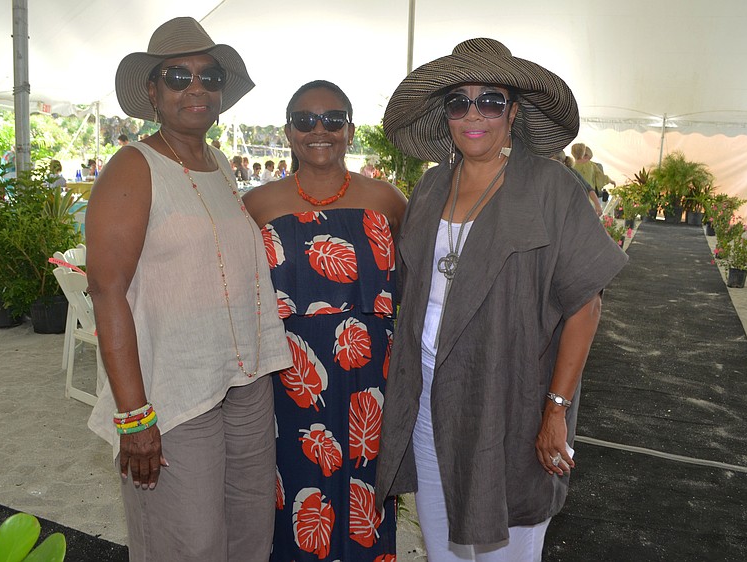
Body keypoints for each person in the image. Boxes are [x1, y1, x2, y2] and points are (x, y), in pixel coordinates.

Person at [376, 38, 628, 561]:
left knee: (507, 543)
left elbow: (586, 305)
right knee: (443, 540)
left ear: (512, 113)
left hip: (510, 400)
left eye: (490, 101)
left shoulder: (550, 188)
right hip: (428, 398)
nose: (474, 114)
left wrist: (555, 409)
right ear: (445, 115)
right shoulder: (429, 189)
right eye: (459, 102)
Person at [84, 16, 291, 561]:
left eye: (210, 75)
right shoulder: (132, 168)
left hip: (243, 379)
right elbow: (107, 292)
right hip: (173, 393)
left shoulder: (219, 163)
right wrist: (133, 415)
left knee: (249, 532)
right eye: (178, 76)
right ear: (152, 91)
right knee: (188, 543)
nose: (196, 87)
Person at [243, 79, 406, 561]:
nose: (320, 130)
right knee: (295, 486)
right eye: (305, 120)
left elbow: (415, 283)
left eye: (333, 120)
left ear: (350, 131)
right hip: (291, 374)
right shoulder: (257, 204)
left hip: (372, 373)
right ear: (288, 131)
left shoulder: (387, 200)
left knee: (367, 489)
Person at [551, 150, 602, 216]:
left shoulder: (571, 172)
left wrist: (598, 206)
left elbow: (589, 188)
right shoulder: (547, 174)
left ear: (559, 161)